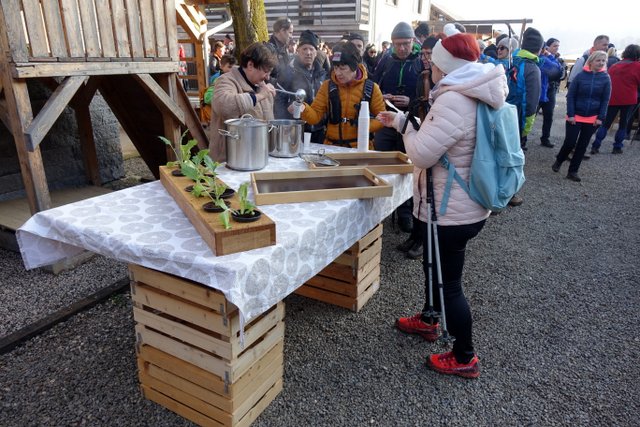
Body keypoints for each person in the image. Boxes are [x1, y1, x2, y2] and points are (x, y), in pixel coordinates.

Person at [377, 33, 504, 379]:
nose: (428, 67)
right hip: (464, 204)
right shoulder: (473, 90)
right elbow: (443, 139)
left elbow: (421, 153)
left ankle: (465, 356)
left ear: (445, 67)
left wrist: (406, 131)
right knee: (435, 268)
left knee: (450, 284)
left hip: (451, 211)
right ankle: (429, 318)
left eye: (433, 62)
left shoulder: (453, 100)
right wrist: (403, 122)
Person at [372, 21, 423, 233]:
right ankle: (380, 210)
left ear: (413, 41)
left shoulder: (421, 63)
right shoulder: (385, 61)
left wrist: (410, 100)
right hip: (386, 122)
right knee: (382, 165)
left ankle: (405, 212)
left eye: (405, 43)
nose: (401, 48)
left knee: (407, 168)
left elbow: (428, 96)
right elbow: (373, 86)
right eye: (397, 44)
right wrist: (381, 96)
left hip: (410, 123)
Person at [293, 42, 385, 148]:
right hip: (332, 147)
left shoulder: (371, 88)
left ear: (354, 67)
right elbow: (315, 117)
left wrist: (366, 125)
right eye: (336, 68)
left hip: (361, 147)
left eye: (343, 68)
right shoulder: (327, 86)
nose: (338, 73)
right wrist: (303, 108)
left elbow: (382, 118)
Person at [397, 35, 440, 260]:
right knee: (419, 190)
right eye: (423, 53)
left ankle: (423, 239)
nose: (425, 57)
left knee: (430, 192)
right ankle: (415, 235)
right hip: (420, 130)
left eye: (429, 54)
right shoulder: (423, 75)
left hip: (435, 138)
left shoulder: (442, 79)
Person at [209, 43, 277, 162]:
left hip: (257, 158)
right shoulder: (225, 80)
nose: (267, 77)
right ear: (250, 65)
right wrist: (259, 96)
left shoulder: (262, 86)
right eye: (266, 71)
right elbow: (224, 106)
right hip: (228, 161)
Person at [552, 51, 610, 182]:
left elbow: (605, 100)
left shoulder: (606, 78)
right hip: (576, 115)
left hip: (593, 117)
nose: (601, 63)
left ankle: (573, 171)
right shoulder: (580, 76)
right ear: (591, 61)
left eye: (603, 61)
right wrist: (571, 114)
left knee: (582, 145)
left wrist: (601, 117)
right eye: (598, 60)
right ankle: (559, 160)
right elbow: (571, 96)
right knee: (570, 142)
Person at [505, 27, 544, 207]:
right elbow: (532, 102)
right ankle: (509, 194)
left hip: (503, 114)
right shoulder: (532, 68)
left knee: (501, 152)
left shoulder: (512, 61)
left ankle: (494, 191)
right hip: (518, 117)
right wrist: (526, 128)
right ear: (539, 49)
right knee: (514, 157)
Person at [274, 30, 328, 144]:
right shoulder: (288, 72)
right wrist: (286, 115)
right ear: (298, 50)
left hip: (319, 131)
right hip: (296, 130)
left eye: (311, 49)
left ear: (316, 52)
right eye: (304, 49)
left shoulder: (323, 74)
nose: (308, 52)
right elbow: (278, 102)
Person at [590, 44, 640, 154]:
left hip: (613, 97)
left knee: (606, 123)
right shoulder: (637, 66)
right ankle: (617, 147)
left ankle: (596, 145)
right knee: (623, 124)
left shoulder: (615, 65)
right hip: (629, 99)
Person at [538, 38, 566, 148]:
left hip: (551, 90)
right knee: (531, 114)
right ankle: (523, 139)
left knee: (549, 115)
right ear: (547, 47)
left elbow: (561, 75)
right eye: (554, 46)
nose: (557, 48)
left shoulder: (558, 60)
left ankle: (545, 138)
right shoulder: (540, 58)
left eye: (558, 46)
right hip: (540, 90)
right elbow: (555, 73)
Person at [200, 54, 237, 124]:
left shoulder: (235, 78)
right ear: (221, 66)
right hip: (219, 115)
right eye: (229, 67)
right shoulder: (217, 79)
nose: (231, 70)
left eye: (233, 67)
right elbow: (208, 97)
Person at [267, 17, 294, 82]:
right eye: (290, 33)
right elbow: (264, 76)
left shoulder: (283, 48)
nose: (291, 36)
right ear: (282, 31)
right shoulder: (268, 50)